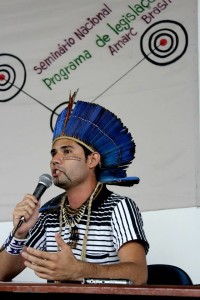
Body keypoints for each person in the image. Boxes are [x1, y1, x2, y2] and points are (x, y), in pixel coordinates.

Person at [0, 90, 149, 285]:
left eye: (67, 151)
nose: (55, 160)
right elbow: (2, 274)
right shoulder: (47, 213)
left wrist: (80, 270)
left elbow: (138, 274)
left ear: (92, 160)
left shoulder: (119, 207)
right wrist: (19, 234)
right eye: (53, 153)